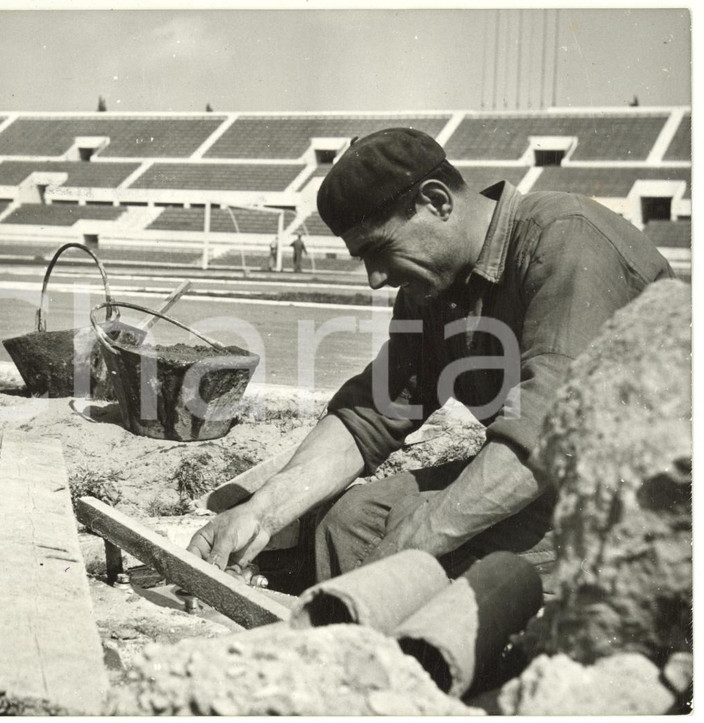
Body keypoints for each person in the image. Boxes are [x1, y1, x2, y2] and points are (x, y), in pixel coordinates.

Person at [188, 127, 674, 592]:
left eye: (379, 250)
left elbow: (545, 437)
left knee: (414, 559)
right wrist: (261, 512)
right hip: (550, 483)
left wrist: (414, 545)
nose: (375, 279)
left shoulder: (568, 242)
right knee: (351, 524)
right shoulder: (434, 287)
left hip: (645, 500)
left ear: (437, 202)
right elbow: (372, 413)